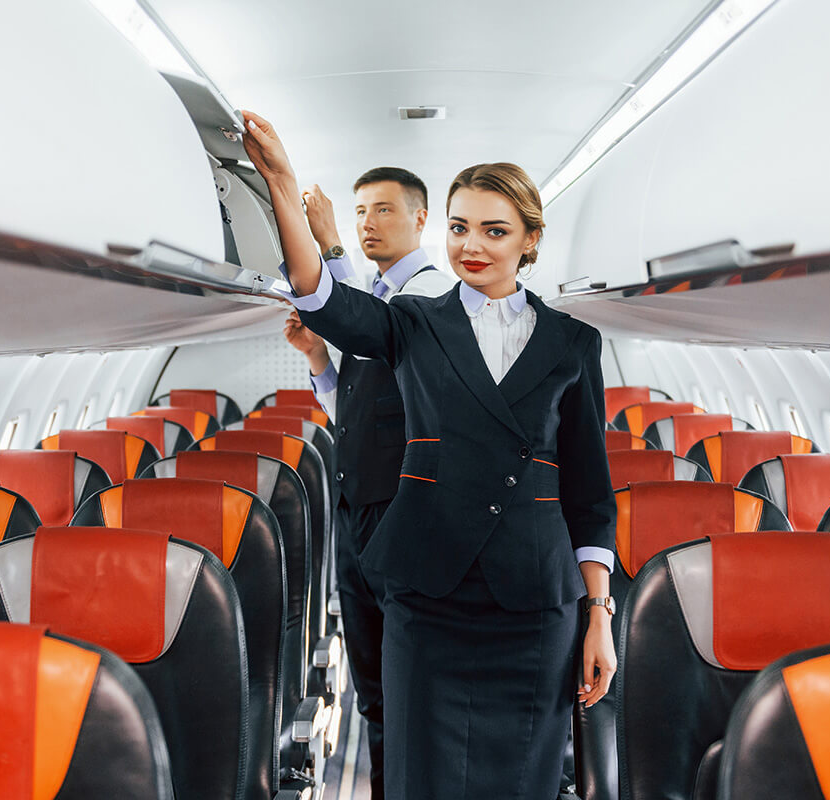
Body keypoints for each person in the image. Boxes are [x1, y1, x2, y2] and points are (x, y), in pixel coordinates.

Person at [243, 109, 617, 800]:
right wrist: (281, 182)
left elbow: (590, 500)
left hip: (534, 605)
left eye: (495, 230)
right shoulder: (415, 323)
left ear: (531, 239)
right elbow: (322, 298)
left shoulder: (573, 344)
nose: (472, 246)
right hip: (430, 600)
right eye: (459, 226)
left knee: (523, 782)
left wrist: (600, 615)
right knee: (419, 776)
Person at [283, 168, 456, 800]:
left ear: (420, 219)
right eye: (359, 212)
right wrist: (318, 364)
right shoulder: (381, 297)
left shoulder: (433, 300)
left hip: (407, 520)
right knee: (377, 692)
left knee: (408, 694)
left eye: (383, 210)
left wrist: (328, 245)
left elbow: (359, 317)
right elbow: (360, 413)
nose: (367, 223)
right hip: (361, 520)